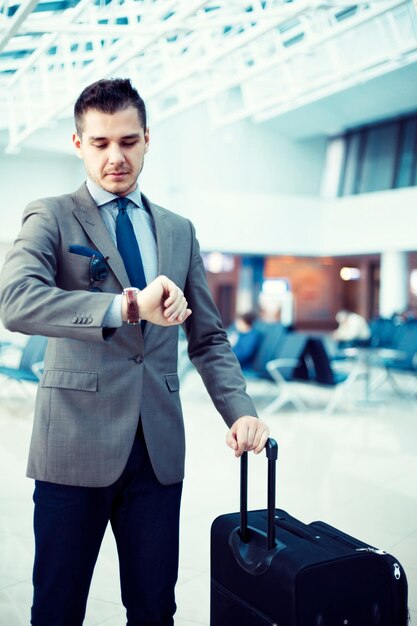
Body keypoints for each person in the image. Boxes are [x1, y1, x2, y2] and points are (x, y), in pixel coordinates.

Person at [0, 78, 269, 626]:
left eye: (128, 141)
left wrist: (240, 410)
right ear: (78, 144)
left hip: (157, 453)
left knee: (154, 607)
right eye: (99, 143)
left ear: (147, 139)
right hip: (72, 448)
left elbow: (210, 337)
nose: (115, 157)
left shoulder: (177, 230)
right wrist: (126, 307)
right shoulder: (51, 215)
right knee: (57, 607)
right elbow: (16, 301)